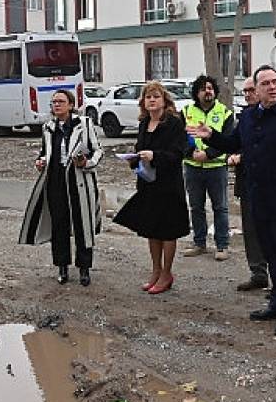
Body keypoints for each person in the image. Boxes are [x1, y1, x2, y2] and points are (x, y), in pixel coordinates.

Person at [188, 65, 276, 337]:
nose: (272, 87)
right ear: (256, 89)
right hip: (260, 197)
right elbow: (233, 143)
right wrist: (211, 136)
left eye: (275, 82)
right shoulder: (249, 116)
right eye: (265, 83)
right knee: (271, 254)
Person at [113, 81, 190, 295]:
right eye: (148, 97)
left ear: (165, 101)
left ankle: (167, 273)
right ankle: (155, 271)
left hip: (168, 185)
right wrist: (133, 159)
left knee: (168, 230)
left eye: (156, 96)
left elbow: (177, 154)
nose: (152, 100)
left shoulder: (174, 123)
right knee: (151, 229)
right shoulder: (143, 123)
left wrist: (155, 156)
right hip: (147, 184)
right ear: (143, 102)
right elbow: (140, 148)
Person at [19, 89, 103, 286]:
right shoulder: (48, 127)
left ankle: (84, 269)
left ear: (71, 105)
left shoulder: (84, 124)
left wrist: (87, 163)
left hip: (78, 181)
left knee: (82, 225)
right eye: (54, 102)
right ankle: (62, 267)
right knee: (59, 226)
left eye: (61, 101)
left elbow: (98, 150)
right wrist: (40, 162)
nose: (56, 105)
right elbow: (44, 152)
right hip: (55, 181)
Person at [181, 75, 235, 260]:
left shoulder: (225, 112)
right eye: (204, 88)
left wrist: (209, 154)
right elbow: (179, 138)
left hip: (216, 167)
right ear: (197, 93)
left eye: (211, 88)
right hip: (193, 167)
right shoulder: (186, 111)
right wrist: (191, 153)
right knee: (196, 207)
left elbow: (228, 139)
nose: (208, 91)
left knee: (220, 207)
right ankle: (199, 243)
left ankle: (222, 246)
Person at [227, 77, 268, 291]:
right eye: (244, 92)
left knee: (271, 233)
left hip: (271, 185)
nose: (248, 95)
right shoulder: (244, 118)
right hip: (247, 182)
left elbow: (270, 147)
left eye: (251, 90)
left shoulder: (275, 116)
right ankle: (258, 272)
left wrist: (243, 156)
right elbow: (234, 142)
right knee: (250, 230)